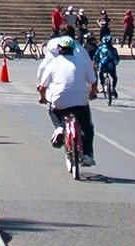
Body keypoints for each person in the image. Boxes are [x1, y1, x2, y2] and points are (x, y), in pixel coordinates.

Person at [37, 34, 97, 165]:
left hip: (60, 100)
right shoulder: (82, 62)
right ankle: (87, 154)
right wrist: (92, 94)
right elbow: (93, 82)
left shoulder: (53, 63)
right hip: (81, 101)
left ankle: (59, 127)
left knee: (52, 108)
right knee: (87, 127)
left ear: (59, 49)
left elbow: (42, 87)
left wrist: (43, 98)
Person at [93, 33, 119, 100]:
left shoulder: (100, 48)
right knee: (114, 77)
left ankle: (103, 85)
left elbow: (95, 57)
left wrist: (95, 64)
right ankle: (113, 88)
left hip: (102, 65)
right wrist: (116, 62)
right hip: (111, 66)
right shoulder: (113, 49)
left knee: (100, 74)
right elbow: (117, 58)